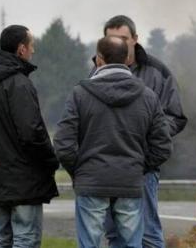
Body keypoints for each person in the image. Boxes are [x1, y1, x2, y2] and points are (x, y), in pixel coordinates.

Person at [55, 36, 172, 248]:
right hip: (130, 180)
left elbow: (63, 144)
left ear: (99, 59)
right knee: (131, 244)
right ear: (127, 59)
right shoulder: (148, 97)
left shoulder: (80, 94)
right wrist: (139, 167)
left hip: (91, 181)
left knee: (89, 244)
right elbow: (163, 146)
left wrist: (79, 171)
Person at [99, 15, 187, 248]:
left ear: (135, 39)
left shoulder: (157, 72)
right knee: (115, 235)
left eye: (123, 38)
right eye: (112, 39)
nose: (118, 43)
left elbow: (175, 116)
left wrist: (147, 145)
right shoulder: (96, 72)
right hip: (107, 167)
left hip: (143, 168)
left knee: (147, 234)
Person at [0, 25, 59, 248]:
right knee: (25, 236)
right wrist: (50, 160)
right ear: (21, 49)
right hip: (23, 176)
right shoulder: (18, 83)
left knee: (0, 234)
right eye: (31, 46)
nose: (33, 51)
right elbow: (31, 132)